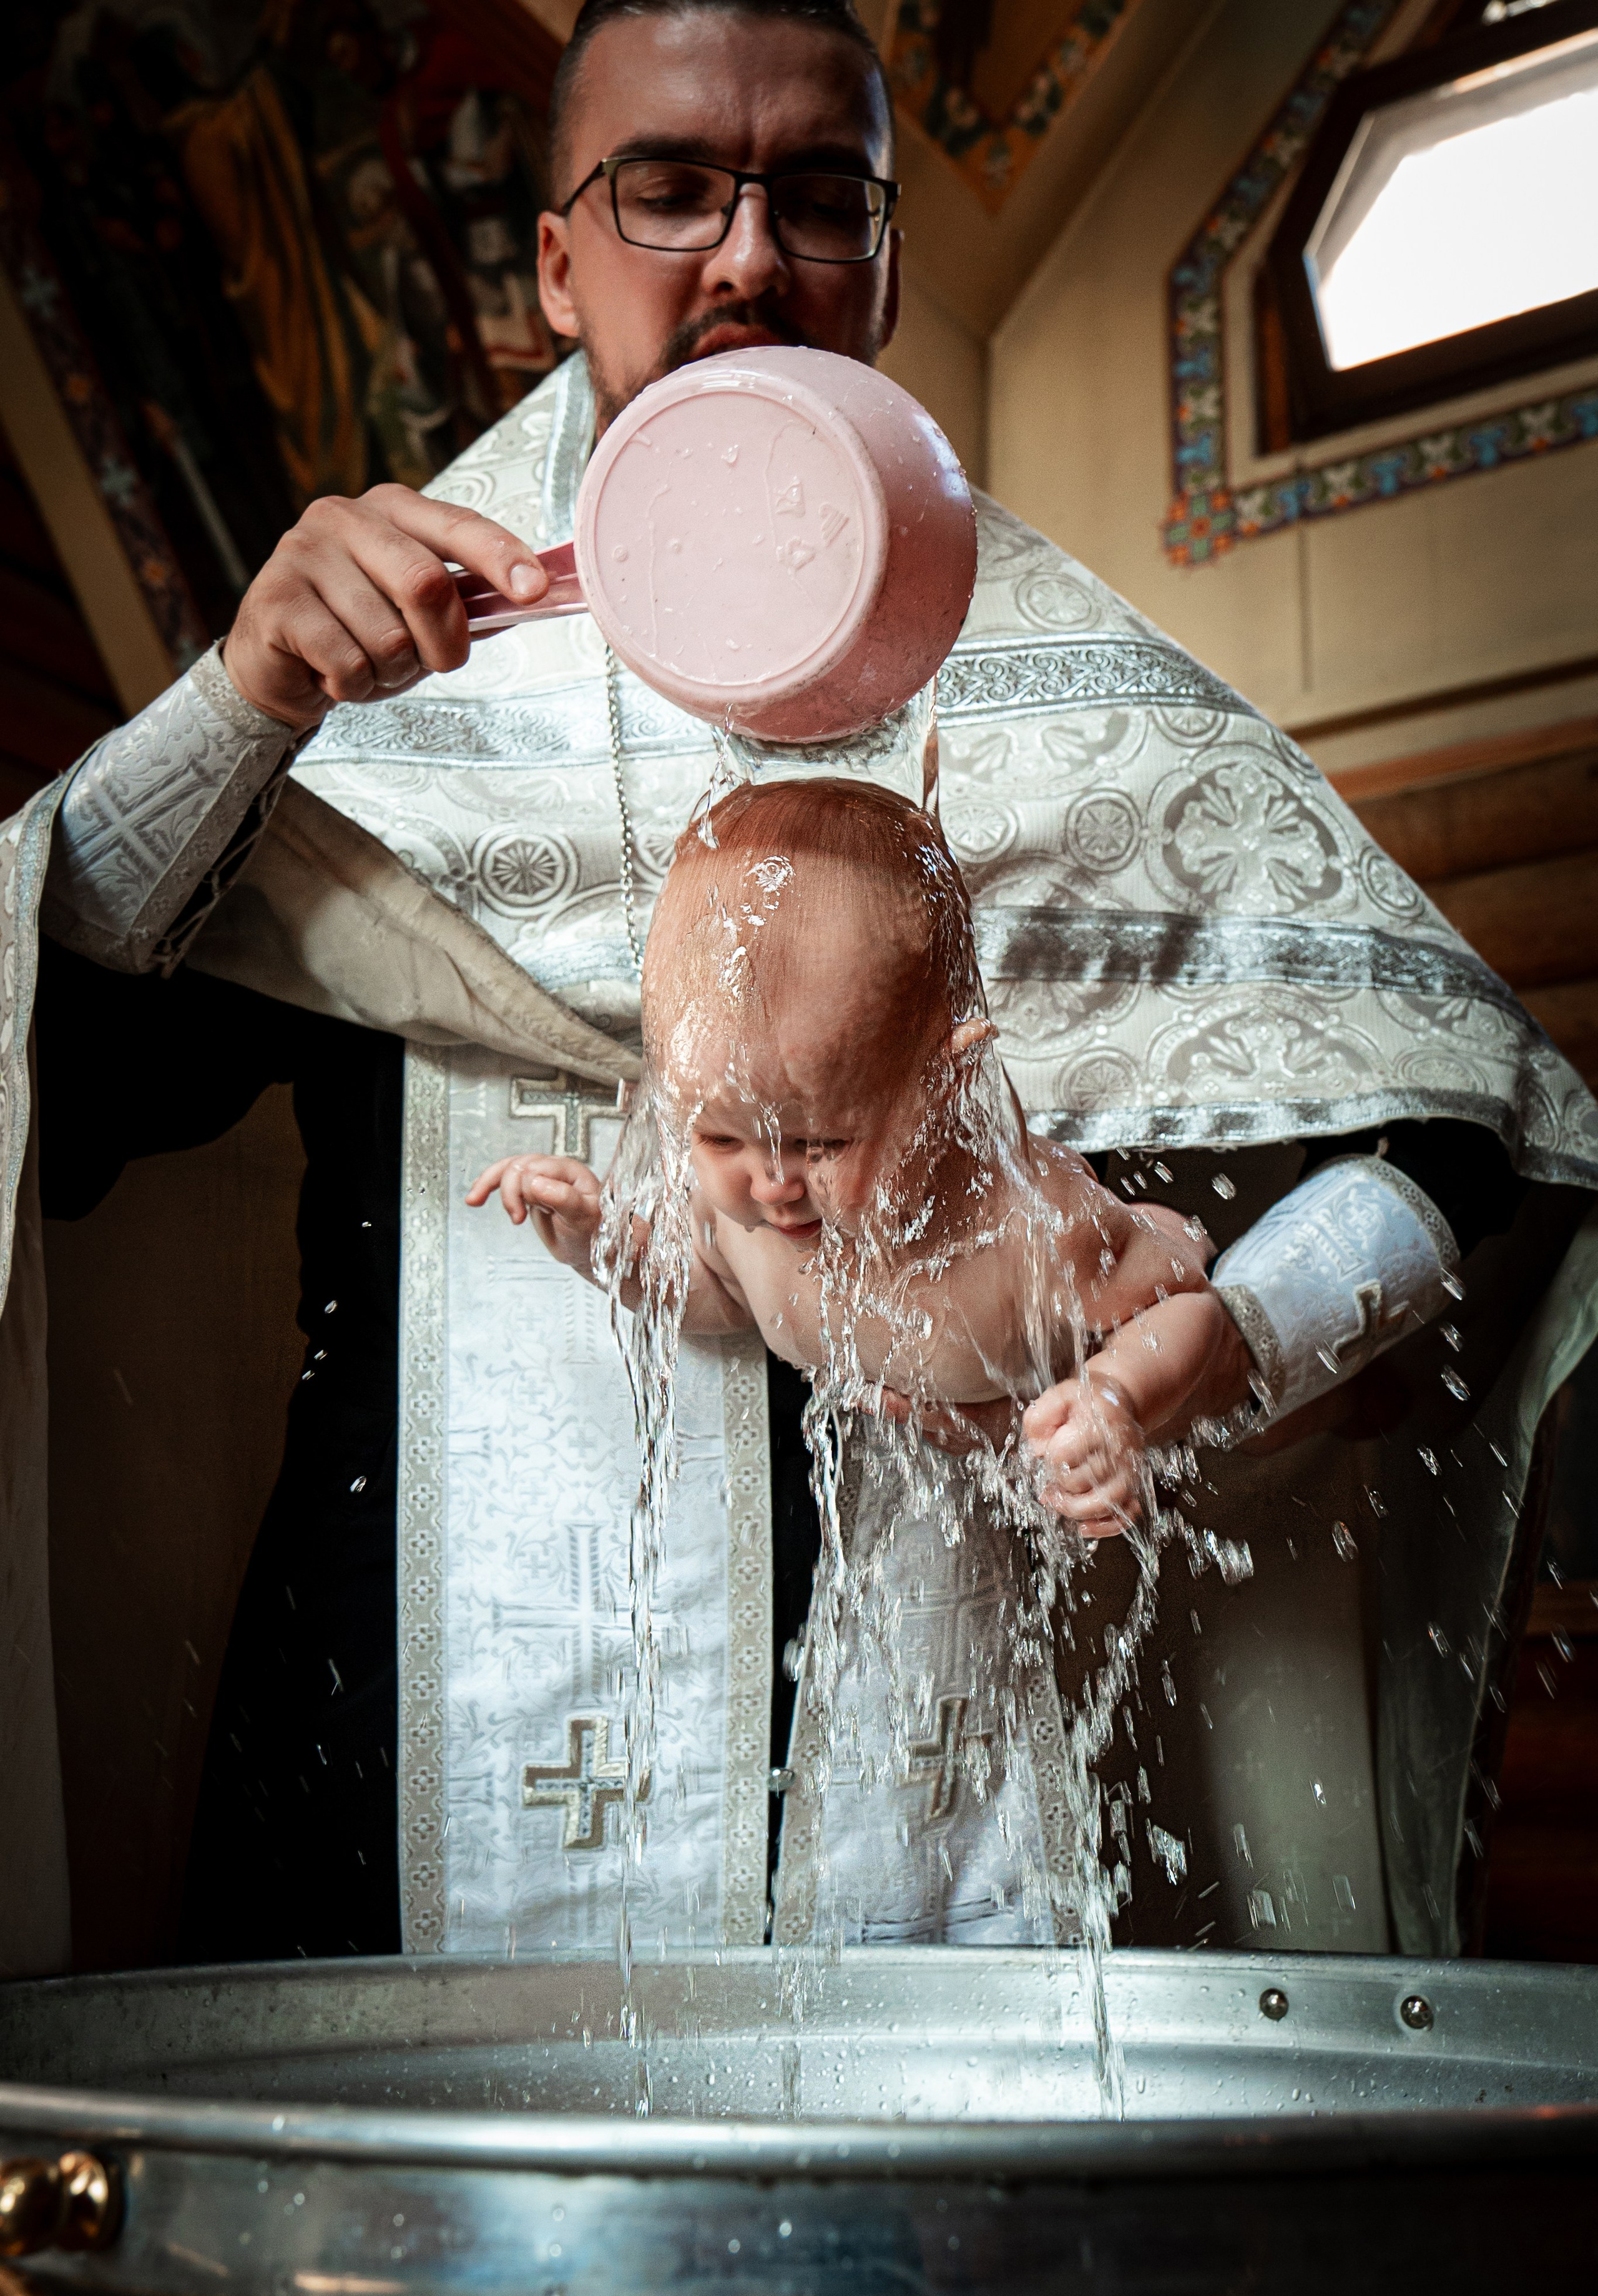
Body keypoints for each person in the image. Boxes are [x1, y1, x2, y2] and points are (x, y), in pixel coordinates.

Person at [6, 0, 1595, 1975]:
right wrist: (237, 703)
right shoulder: (362, 699)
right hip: (387, 1772)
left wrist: (1203, 1351)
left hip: (936, 1799)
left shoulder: (1088, 714)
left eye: (818, 198)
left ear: (888, 267)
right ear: (556, 261)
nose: (749, 252)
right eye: (669, 190)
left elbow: (1443, 1128)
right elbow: (52, 1074)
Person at [472, 776, 1229, 1543]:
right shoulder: (750, 1219)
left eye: (821, 1144)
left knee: (1169, 1242)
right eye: (720, 1138)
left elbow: (1189, 1306)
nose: (770, 1183)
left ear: (949, 1080)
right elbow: (719, 1298)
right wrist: (604, 1246)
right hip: (927, 1401)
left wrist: (1114, 1395)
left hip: (1122, 1268)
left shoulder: (1032, 1226)